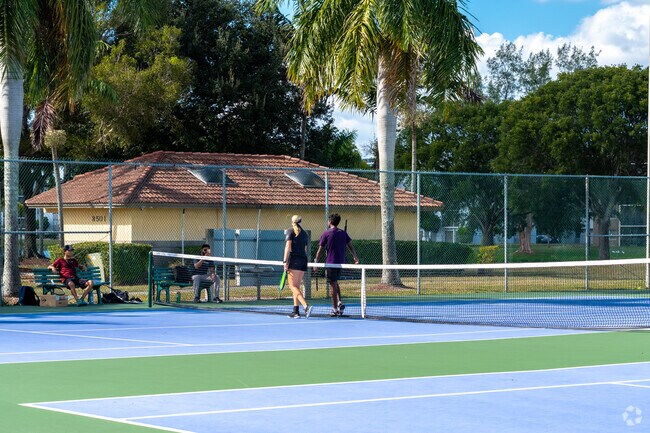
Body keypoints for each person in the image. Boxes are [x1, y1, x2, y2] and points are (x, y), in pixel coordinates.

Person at [313, 213, 359, 316]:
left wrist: (316, 262)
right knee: (335, 282)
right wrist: (355, 257)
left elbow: (320, 250)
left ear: (330, 222)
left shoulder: (326, 233)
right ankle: (339, 302)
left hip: (331, 264)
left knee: (332, 285)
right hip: (340, 264)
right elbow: (351, 246)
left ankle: (334, 309)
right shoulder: (343, 233)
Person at [283, 215, 313, 319]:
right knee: (296, 287)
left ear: (292, 221)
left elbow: (288, 247)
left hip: (294, 261)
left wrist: (285, 261)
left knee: (292, 286)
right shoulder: (304, 234)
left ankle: (306, 306)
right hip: (303, 261)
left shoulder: (290, 231)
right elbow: (304, 250)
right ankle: (295, 311)